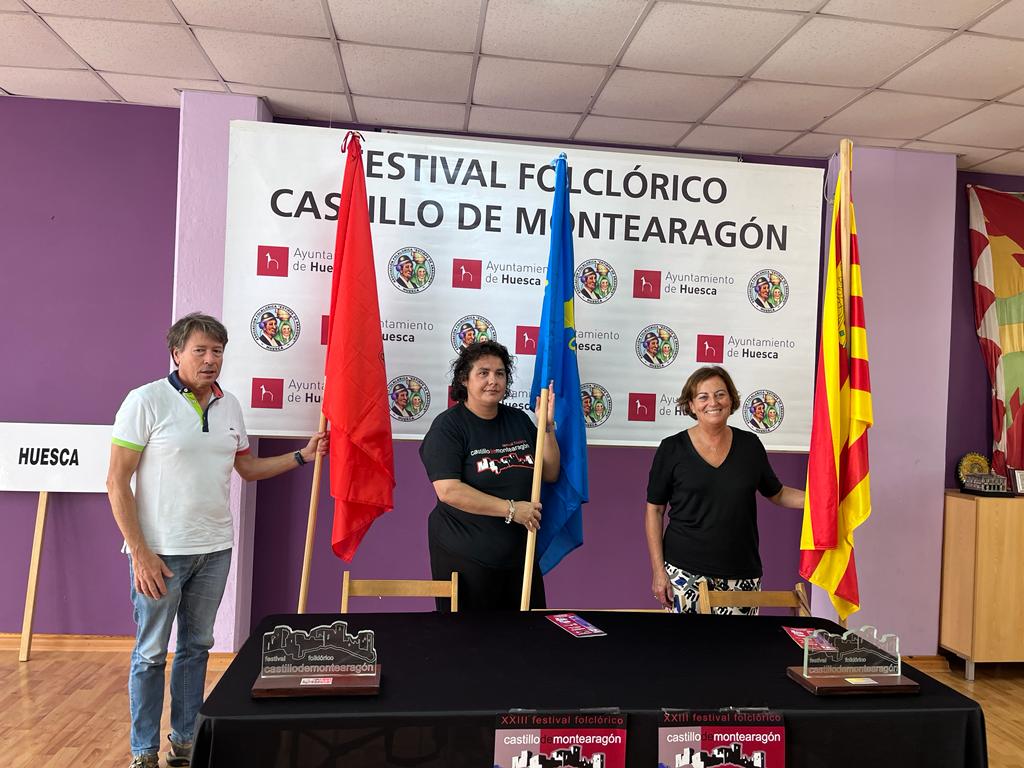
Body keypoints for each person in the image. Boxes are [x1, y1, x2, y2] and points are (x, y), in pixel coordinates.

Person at [107, 313, 328, 768]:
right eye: (201, 351)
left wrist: (302, 456)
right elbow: (115, 482)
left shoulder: (229, 407)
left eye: (218, 351)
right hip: (160, 554)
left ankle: (185, 743)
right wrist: (141, 553)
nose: (211, 360)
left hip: (214, 550)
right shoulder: (145, 400)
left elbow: (246, 469)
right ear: (176, 353)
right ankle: (144, 752)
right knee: (150, 654)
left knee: (196, 648)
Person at [644, 366, 804, 614]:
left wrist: (823, 501)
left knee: (739, 652)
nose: (713, 403)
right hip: (684, 573)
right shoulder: (671, 449)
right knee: (685, 652)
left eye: (720, 394)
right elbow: (654, 511)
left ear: (731, 399)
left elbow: (778, 493)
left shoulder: (750, 446)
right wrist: (658, 571)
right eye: (703, 397)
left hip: (741, 574)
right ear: (691, 405)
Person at [419, 341, 560, 611]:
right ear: (465, 379)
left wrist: (547, 426)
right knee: (472, 645)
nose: (492, 381)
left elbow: (550, 473)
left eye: (499, 373)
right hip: (466, 558)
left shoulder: (519, 420)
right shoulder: (448, 427)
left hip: (520, 557)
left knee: (526, 643)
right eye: (483, 373)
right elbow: (449, 491)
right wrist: (510, 510)